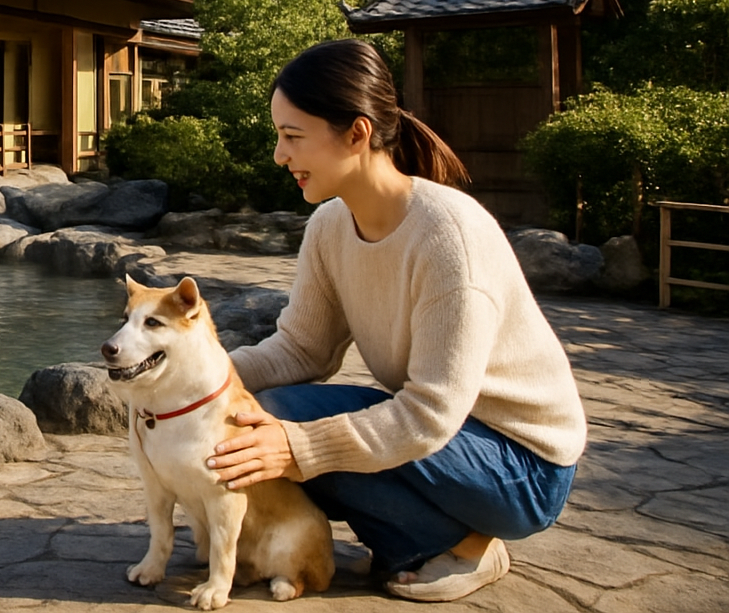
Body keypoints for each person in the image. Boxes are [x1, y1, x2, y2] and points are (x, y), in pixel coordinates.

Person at [205, 38, 586, 603]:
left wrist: (299, 447)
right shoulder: (330, 227)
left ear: (356, 133)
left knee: (286, 433)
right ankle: (426, 543)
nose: (280, 155)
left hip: (523, 467)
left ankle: (466, 542)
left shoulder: (448, 238)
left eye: (293, 136)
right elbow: (301, 350)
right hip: (446, 441)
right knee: (257, 415)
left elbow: (430, 414)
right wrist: (197, 382)